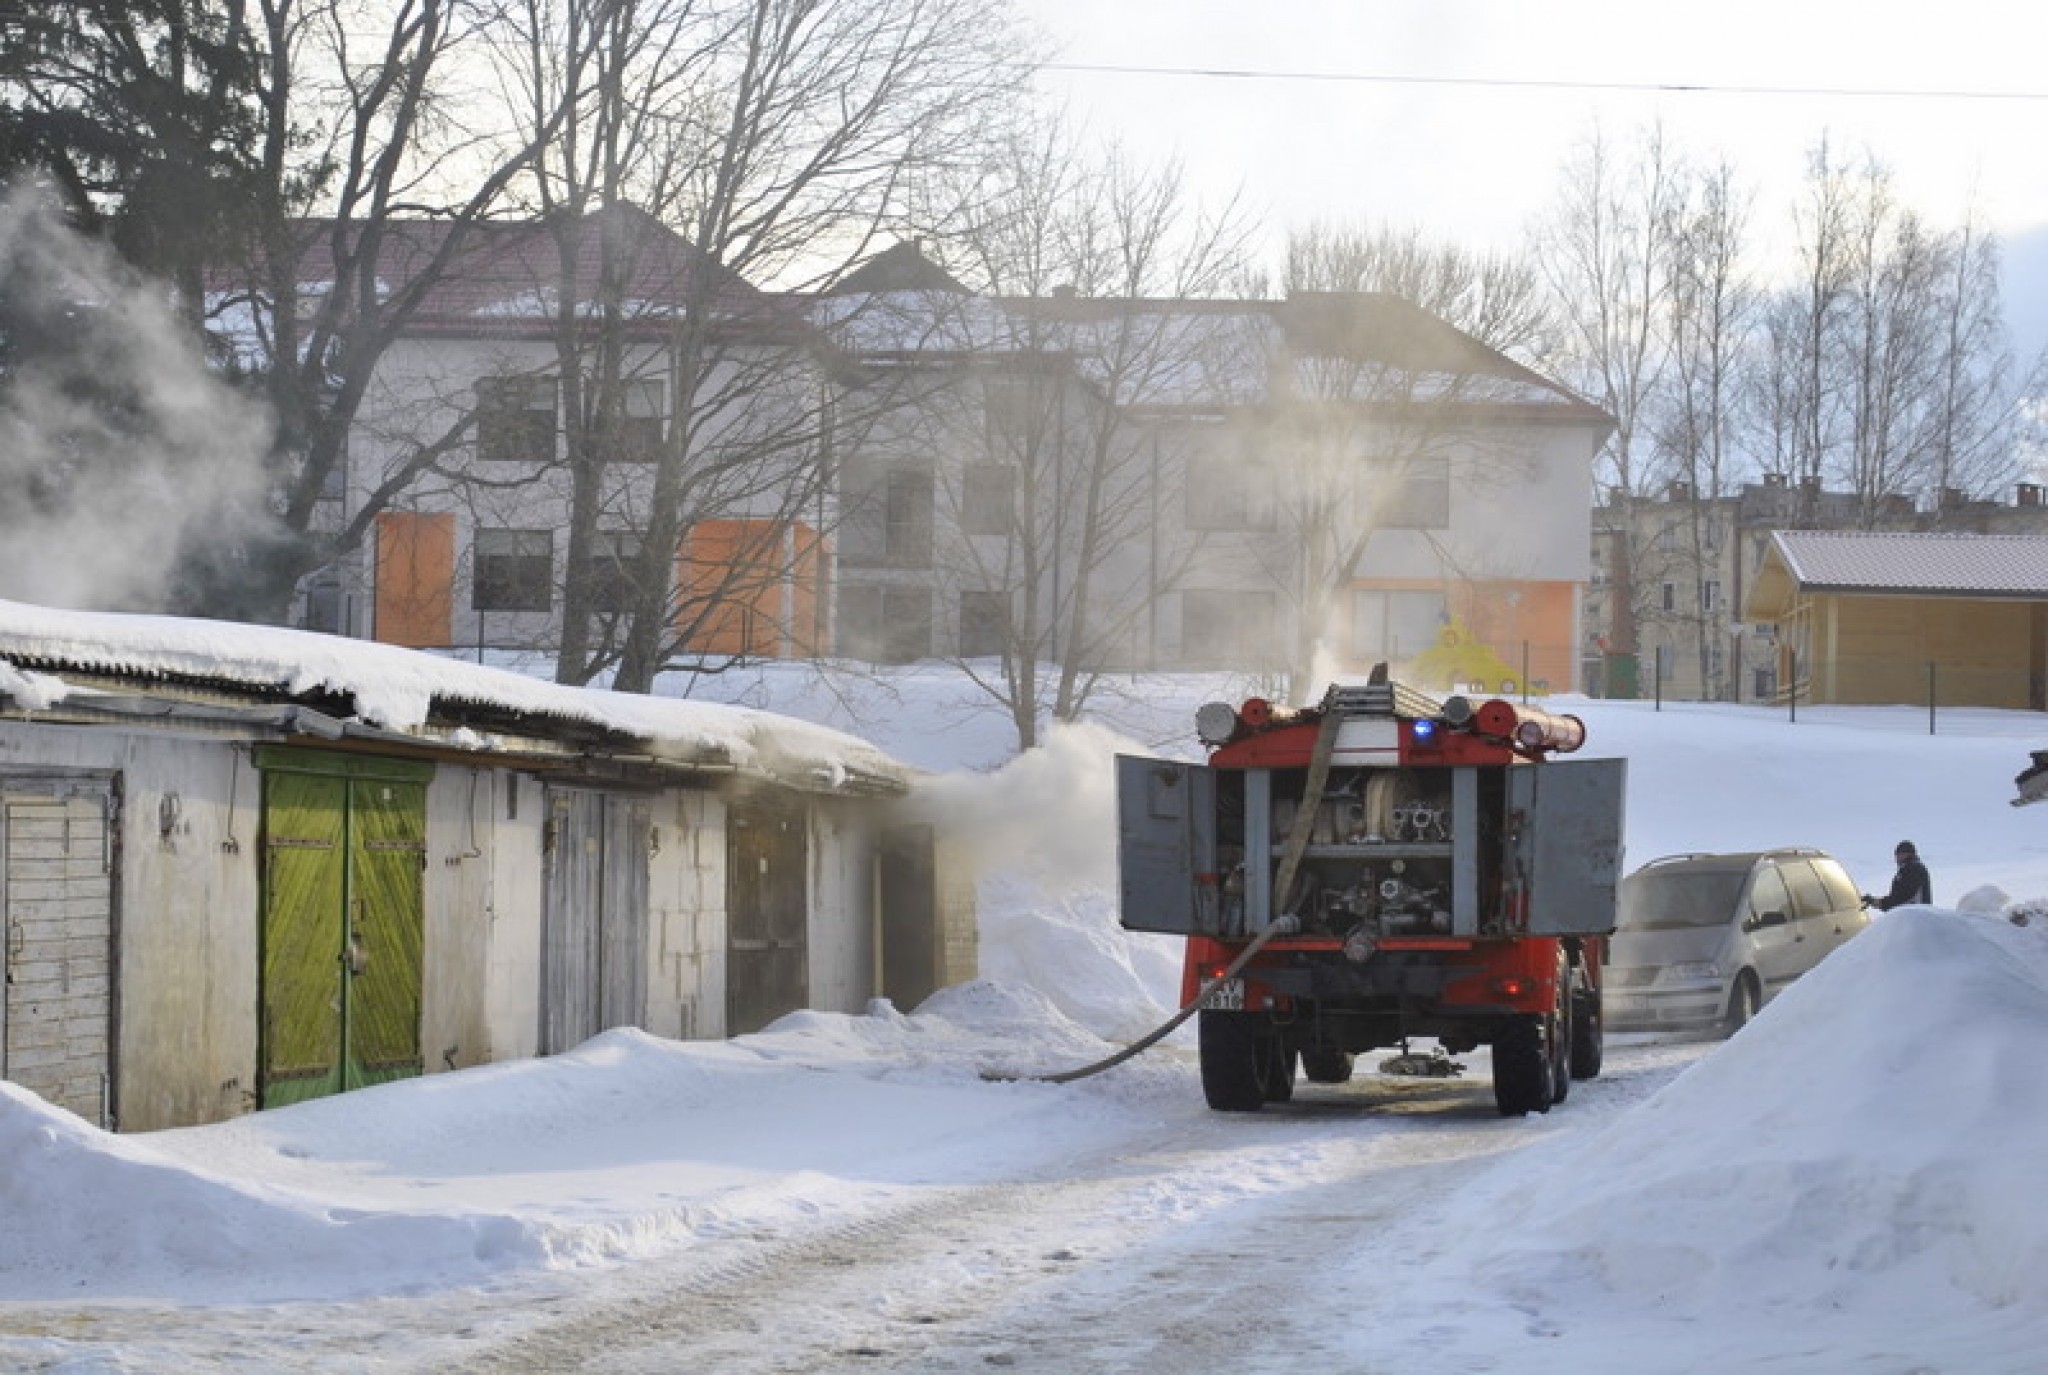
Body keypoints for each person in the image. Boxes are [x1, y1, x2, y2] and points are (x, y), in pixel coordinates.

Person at [1863, 841, 1932, 911]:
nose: (1896, 859)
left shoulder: (1912, 869)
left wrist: (1879, 903)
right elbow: (1899, 897)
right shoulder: (1911, 869)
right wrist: (1876, 902)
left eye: (1897, 855)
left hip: (1913, 916)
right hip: (1913, 915)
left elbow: (1902, 898)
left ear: (1905, 854)